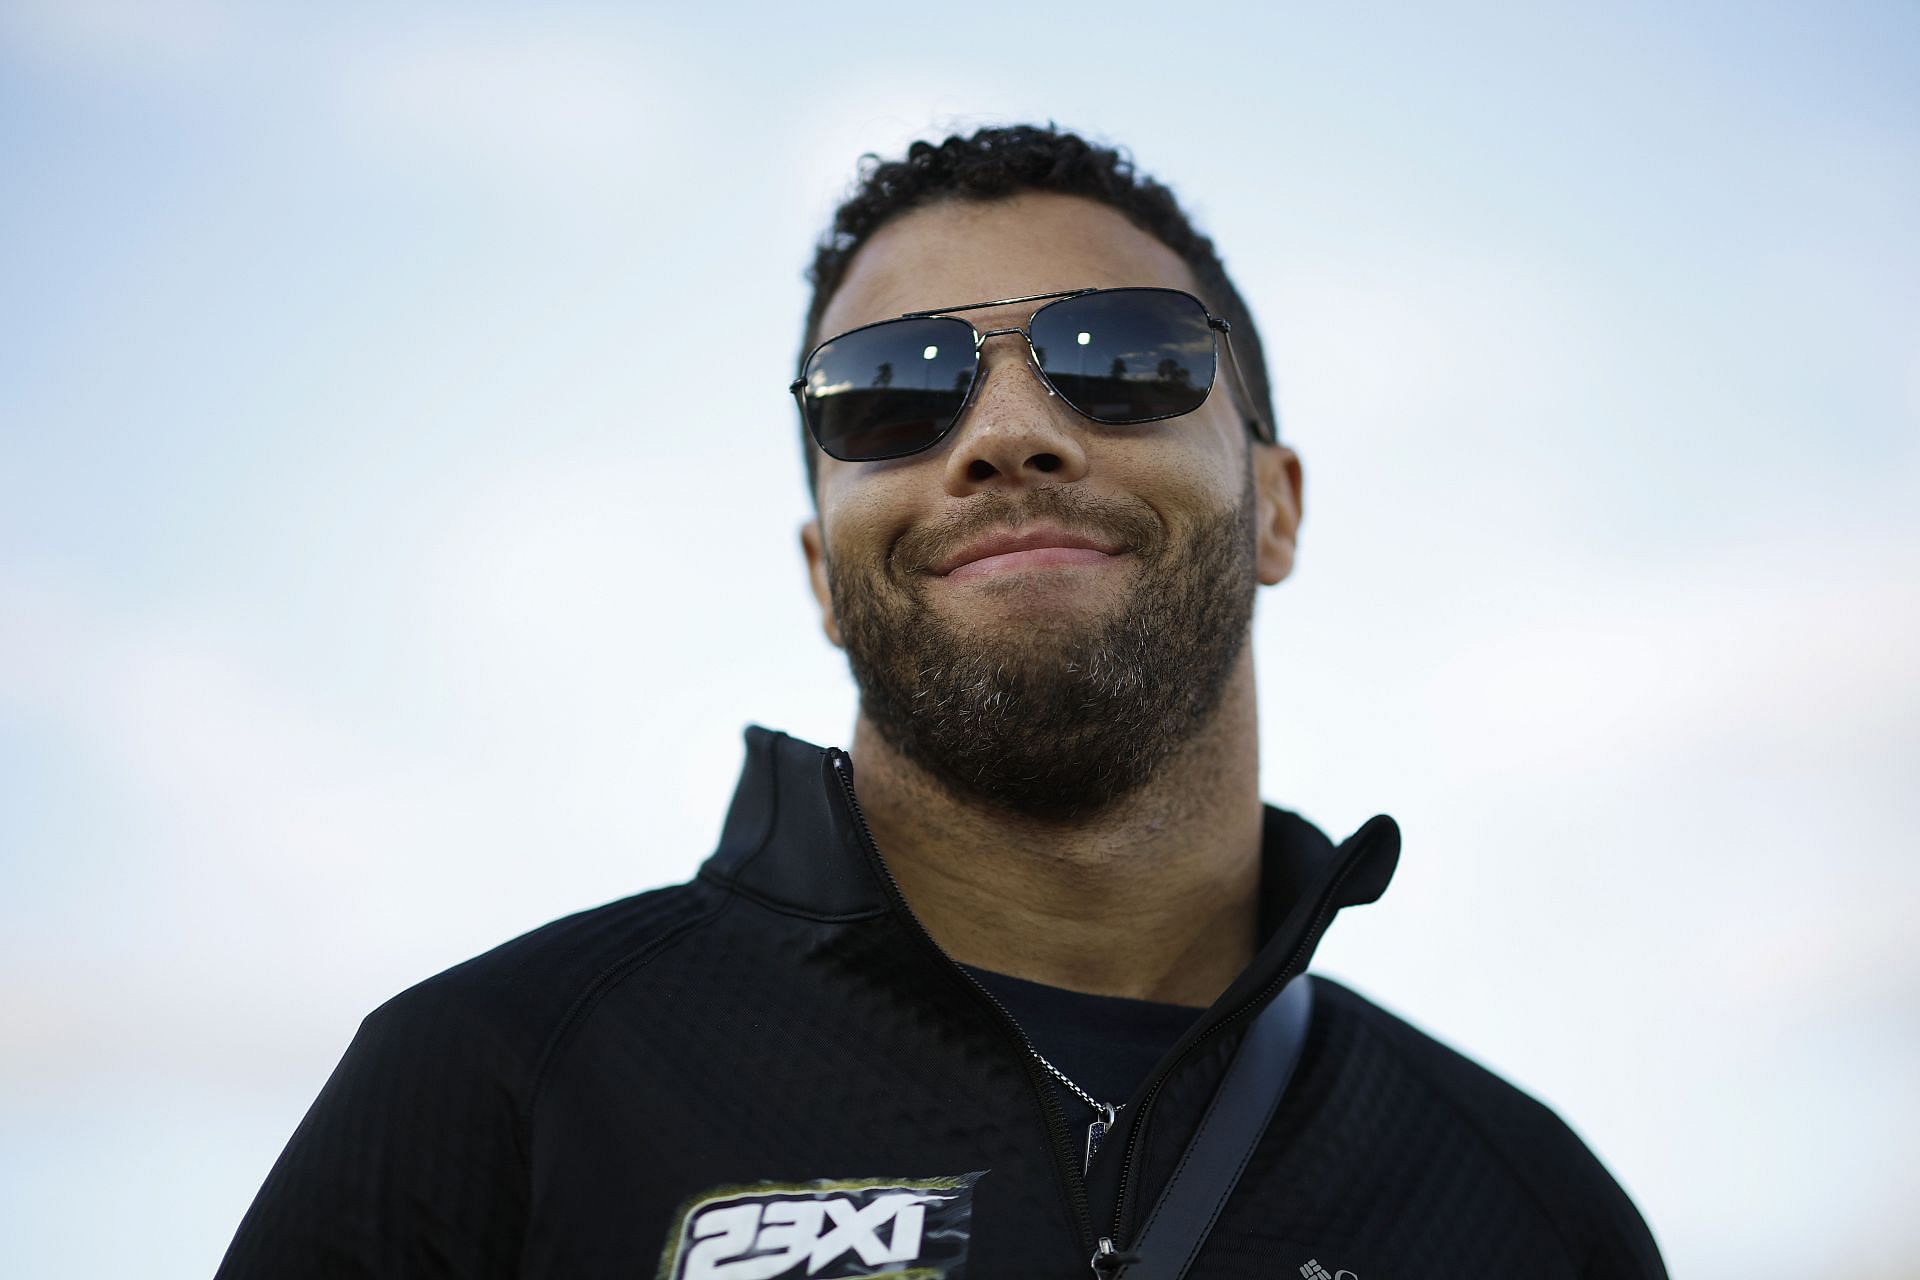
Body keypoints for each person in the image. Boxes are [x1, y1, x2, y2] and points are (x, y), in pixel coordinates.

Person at [216, 124, 1666, 1279]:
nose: (1011, 432)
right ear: (822, 570)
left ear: (1275, 504)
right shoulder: (496, 1089)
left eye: (1122, 356)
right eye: (892, 392)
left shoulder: (1522, 1202)